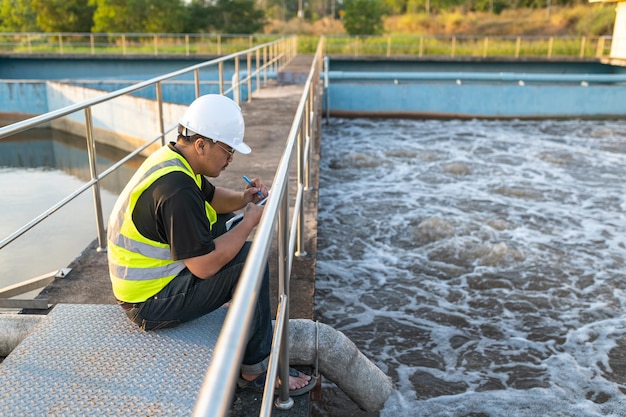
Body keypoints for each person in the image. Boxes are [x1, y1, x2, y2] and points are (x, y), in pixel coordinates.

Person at [106, 94, 315, 396]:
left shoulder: (175, 161)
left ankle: (238, 302)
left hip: (150, 281)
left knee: (225, 221)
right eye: (227, 150)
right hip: (148, 303)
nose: (231, 159)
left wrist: (245, 199)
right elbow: (203, 267)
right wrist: (249, 222)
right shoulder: (177, 190)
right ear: (202, 144)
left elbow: (212, 198)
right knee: (248, 262)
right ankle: (256, 370)